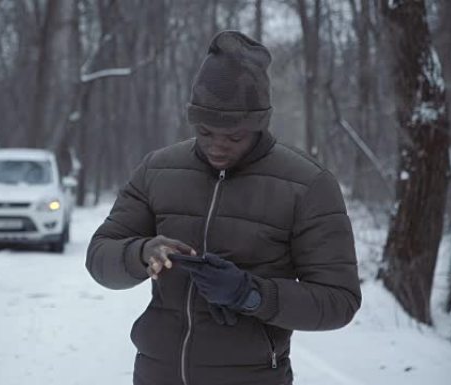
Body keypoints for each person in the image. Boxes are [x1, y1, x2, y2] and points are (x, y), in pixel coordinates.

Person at [86, 30, 361, 385]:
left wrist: (249, 293)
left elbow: (338, 301)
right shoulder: (158, 169)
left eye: (234, 136)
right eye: (205, 132)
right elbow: (99, 256)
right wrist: (142, 252)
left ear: (259, 125)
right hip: (157, 373)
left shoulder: (308, 185)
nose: (217, 146)